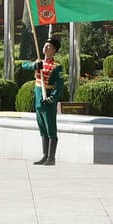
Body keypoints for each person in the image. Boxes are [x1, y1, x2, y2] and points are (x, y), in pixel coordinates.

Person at [21, 36, 65, 165]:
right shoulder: (39, 62)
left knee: (51, 129)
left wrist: (52, 98)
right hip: (38, 100)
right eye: (45, 45)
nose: (46, 47)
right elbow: (24, 65)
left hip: (48, 101)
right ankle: (45, 155)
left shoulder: (57, 67)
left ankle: (51, 158)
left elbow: (60, 86)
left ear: (54, 51)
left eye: (49, 46)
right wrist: (34, 65)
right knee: (42, 129)